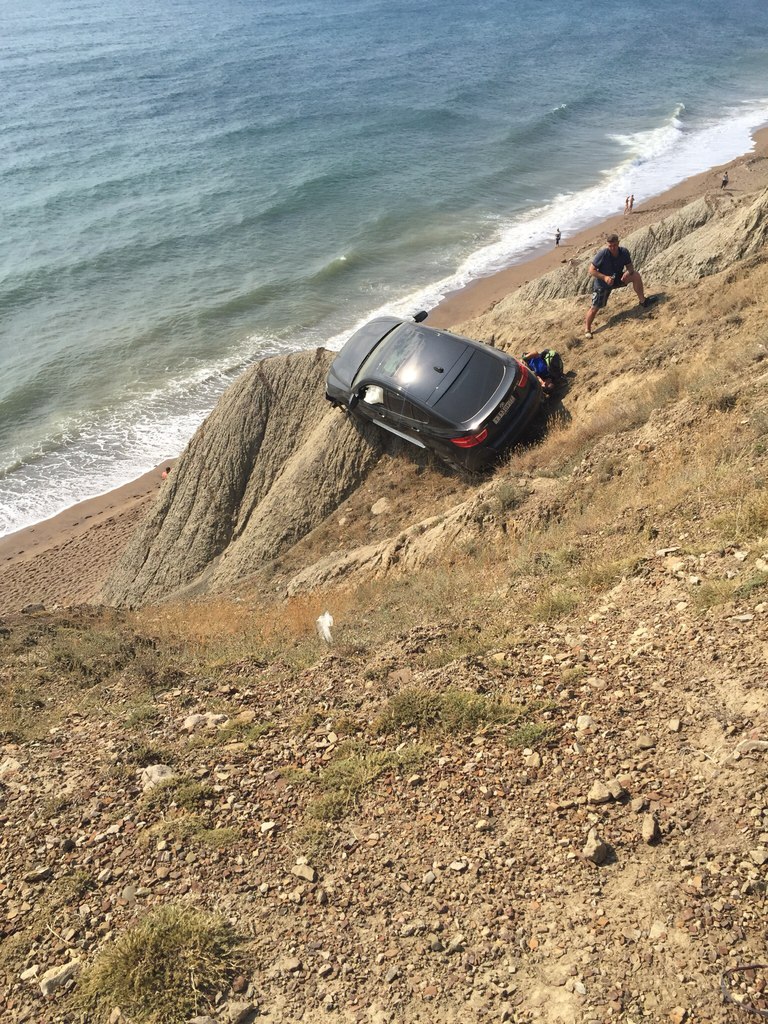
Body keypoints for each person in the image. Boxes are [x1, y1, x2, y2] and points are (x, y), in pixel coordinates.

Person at [584, 232, 654, 338]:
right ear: (607, 245)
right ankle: (587, 329)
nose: (612, 248)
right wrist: (605, 278)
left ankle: (643, 301)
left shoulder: (624, 252)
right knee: (595, 308)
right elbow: (591, 270)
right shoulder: (603, 254)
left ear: (618, 243)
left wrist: (627, 272)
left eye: (615, 245)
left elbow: (630, 267)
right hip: (603, 283)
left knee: (635, 275)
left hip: (617, 278)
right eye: (610, 246)